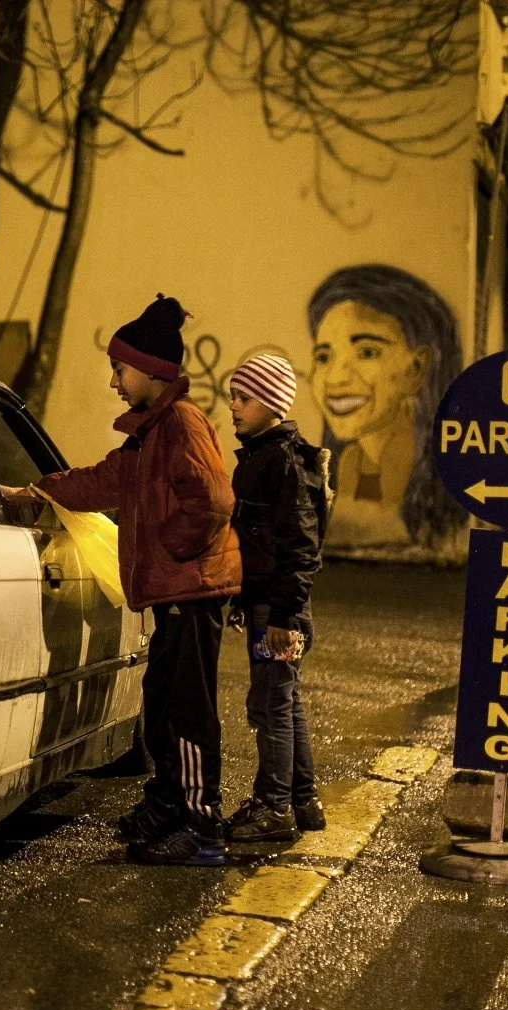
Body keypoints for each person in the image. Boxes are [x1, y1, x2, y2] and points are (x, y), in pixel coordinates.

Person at [5, 294, 241, 865]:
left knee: (186, 709)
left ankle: (201, 826)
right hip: (176, 590)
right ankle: (166, 804)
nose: (113, 380)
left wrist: (171, 551)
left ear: (152, 370)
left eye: (119, 368)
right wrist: (39, 493)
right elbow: (105, 480)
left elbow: (212, 500)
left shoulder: (181, 423)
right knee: (161, 701)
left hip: (192, 589)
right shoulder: (151, 431)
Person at [222, 352, 328, 842]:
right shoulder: (267, 455)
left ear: (270, 403)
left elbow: (300, 547)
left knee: (271, 705)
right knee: (286, 701)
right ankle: (303, 800)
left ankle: (273, 806)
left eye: (242, 398)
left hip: (279, 610)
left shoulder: (280, 462)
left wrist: (281, 614)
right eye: (233, 398)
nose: (234, 408)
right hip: (269, 604)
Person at [306, 264, 465, 551]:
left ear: (416, 369)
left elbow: (382, 531)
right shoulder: (354, 457)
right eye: (323, 356)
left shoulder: (407, 451)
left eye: (367, 352)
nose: (336, 377)